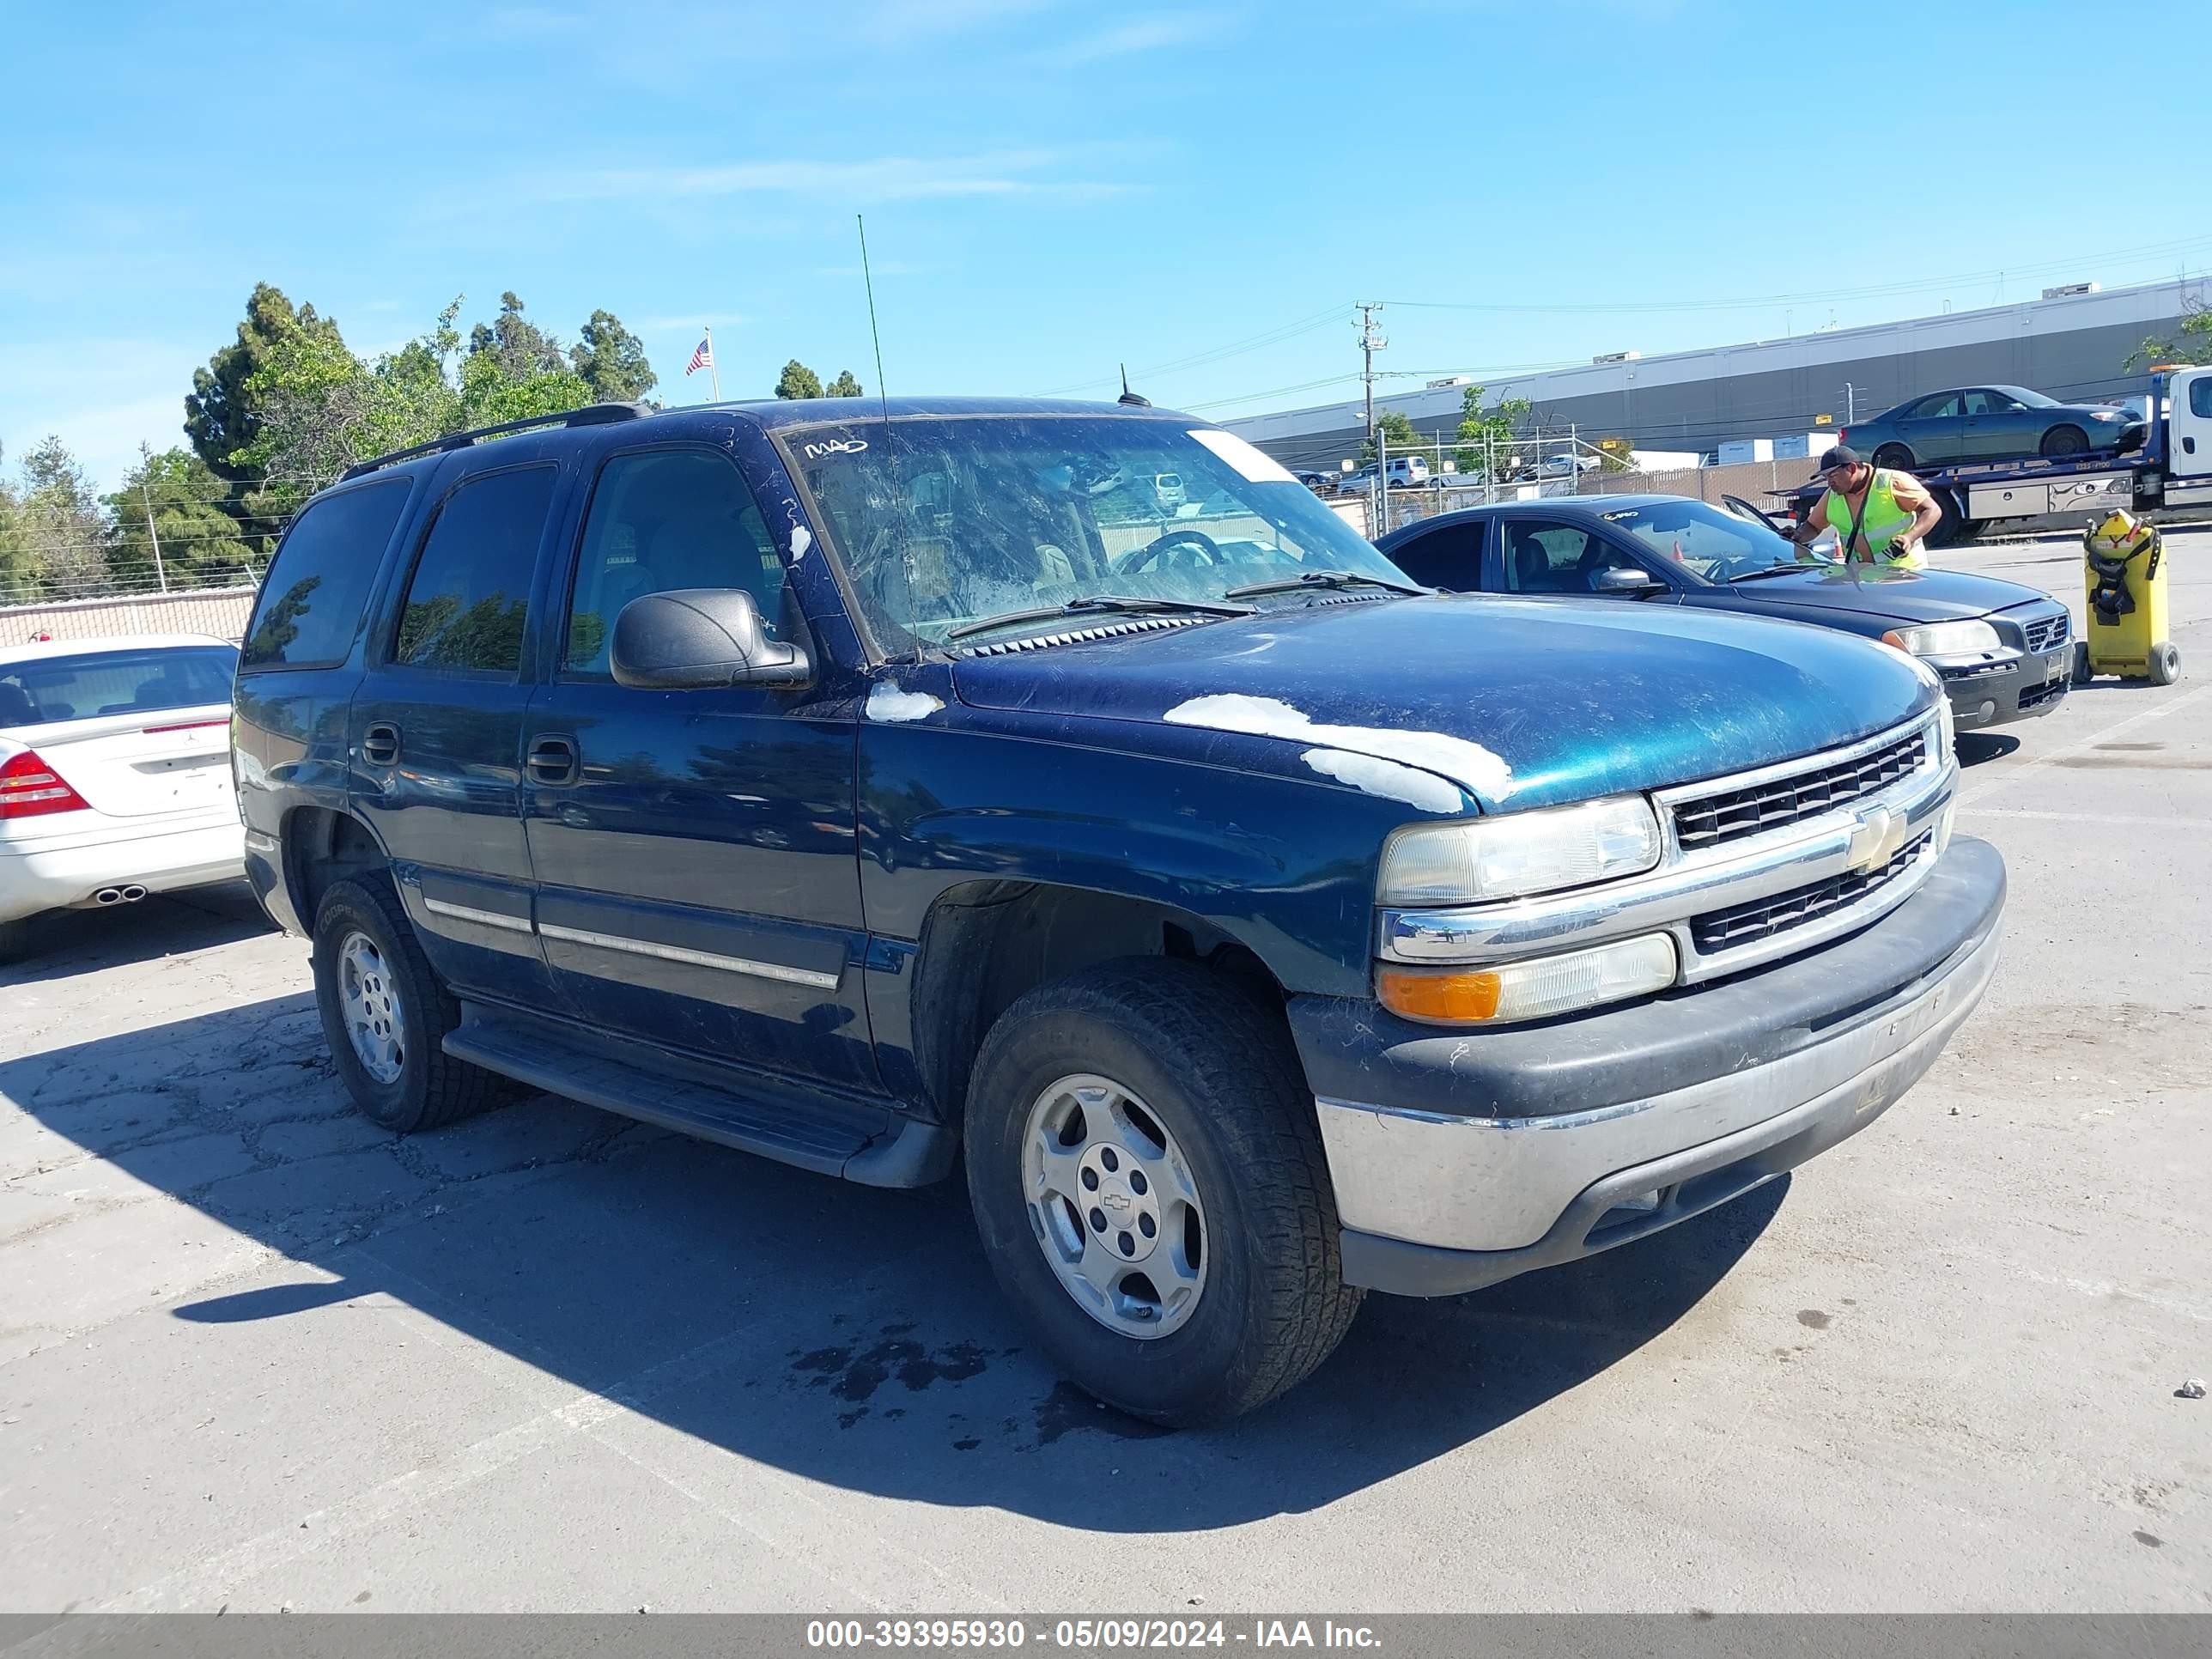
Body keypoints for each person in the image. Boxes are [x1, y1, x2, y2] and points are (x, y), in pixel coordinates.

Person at [1793, 445, 1943, 570]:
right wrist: (1797, 536)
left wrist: (1909, 538)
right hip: (1863, 580)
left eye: (1833, 475)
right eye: (1826, 477)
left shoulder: (1892, 481)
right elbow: (1813, 526)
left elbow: (1932, 510)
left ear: (1851, 469)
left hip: (1905, 575)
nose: (1829, 482)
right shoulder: (1832, 496)